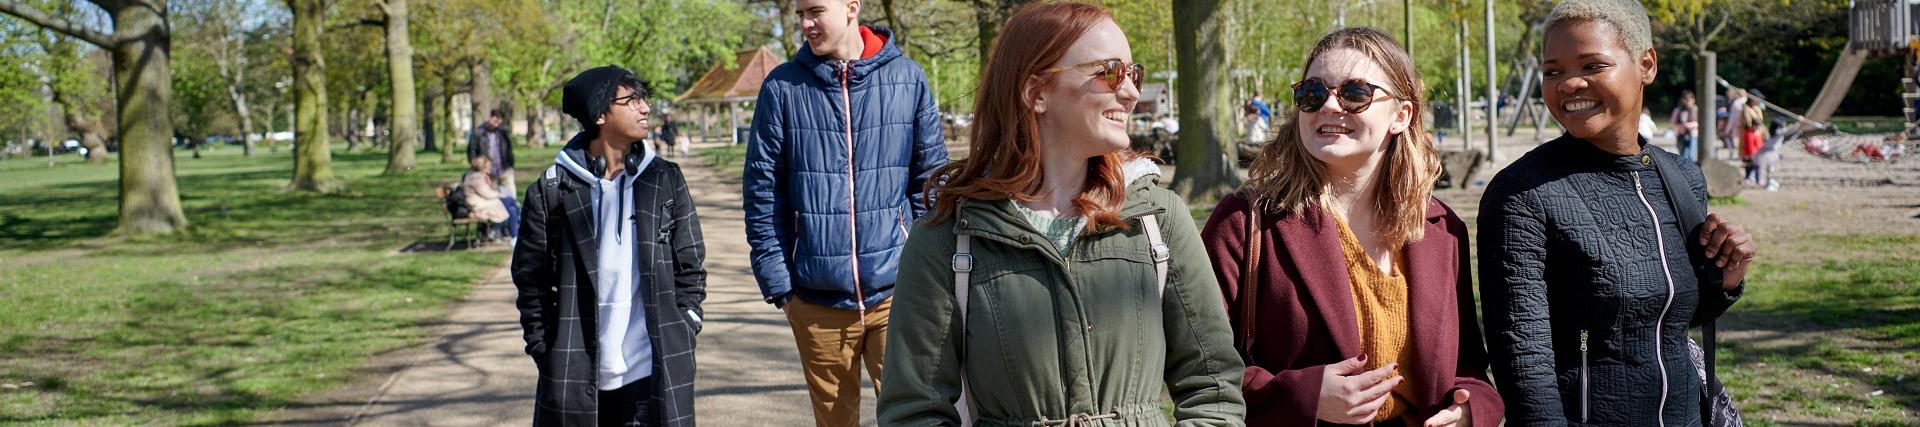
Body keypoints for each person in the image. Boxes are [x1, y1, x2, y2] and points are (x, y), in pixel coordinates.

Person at [877, 3, 1245, 424]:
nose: (1130, 92)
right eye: (1109, 71)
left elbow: (1213, 387)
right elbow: (914, 411)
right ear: (1036, 92)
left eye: (1133, 73)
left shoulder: (1157, 219)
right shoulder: (948, 238)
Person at [1202, 27, 1503, 427]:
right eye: (1312, 92)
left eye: (1354, 93)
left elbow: (1465, 363)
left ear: (1401, 114)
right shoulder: (1245, 221)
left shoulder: (1441, 228)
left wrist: (1471, 408)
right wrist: (1303, 397)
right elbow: (1198, 363)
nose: (1328, 106)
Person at [1478, 1, 1758, 425]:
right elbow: (1523, 360)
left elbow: (1668, 317)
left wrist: (1727, 277)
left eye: (1592, 65)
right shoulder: (1522, 194)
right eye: (1552, 71)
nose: (1569, 83)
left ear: (1646, 64)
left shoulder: (1682, 178)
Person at [741, 0, 949, 424]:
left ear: (851, 7)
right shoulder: (782, 87)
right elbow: (763, 192)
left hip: (898, 293)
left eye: (815, 10)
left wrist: (926, 267)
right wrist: (780, 285)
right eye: (800, 13)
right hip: (816, 302)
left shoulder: (907, 79)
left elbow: (931, 182)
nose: (805, 23)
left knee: (917, 416)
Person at [512, 66, 708, 427]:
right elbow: (531, 281)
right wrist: (545, 348)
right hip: (575, 373)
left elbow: (690, 266)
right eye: (632, 100)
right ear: (600, 114)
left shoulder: (665, 179)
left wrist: (686, 324)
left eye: (644, 98)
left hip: (653, 373)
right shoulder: (551, 191)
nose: (645, 108)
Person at [470, 108, 519, 198]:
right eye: (495, 121)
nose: (497, 124)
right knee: (495, 198)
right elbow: (472, 151)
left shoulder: (503, 131)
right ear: (490, 118)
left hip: (505, 169)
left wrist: (510, 164)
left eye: (499, 122)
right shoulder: (479, 133)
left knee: (512, 197)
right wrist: (479, 169)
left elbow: (508, 148)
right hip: (489, 172)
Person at [462, 156, 512, 235]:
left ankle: (509, 232)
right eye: (489, 166)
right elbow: (487, 193)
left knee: (511, 205)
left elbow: (488, 192)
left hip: (482, 201)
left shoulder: (478, 175)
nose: (491, 167)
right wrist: (500, 194)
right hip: (477, 204)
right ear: (482, 167)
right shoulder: (476, 177)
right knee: (509, 204)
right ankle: (501, 231)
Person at [1670, 90, 1698, 162]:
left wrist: (1689, 125)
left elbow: (1699, 123)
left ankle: (1692, 170)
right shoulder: (1678, 110)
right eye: (1686, 99)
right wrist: (1680, 127)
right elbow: (1673, 122)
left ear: (1693, 100)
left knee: (1691, 155)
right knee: (1682, 154)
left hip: (1692, 135)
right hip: (1681, 135)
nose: (1688, 101)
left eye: (1690, 99)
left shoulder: (1695, 110)